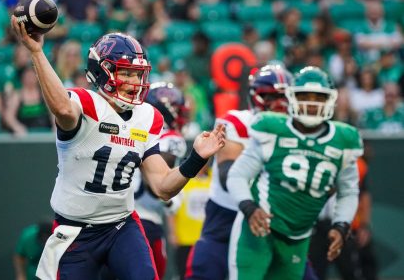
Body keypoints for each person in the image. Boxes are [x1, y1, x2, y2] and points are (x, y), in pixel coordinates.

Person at [11, 17, 226, 280]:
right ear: (102, 72)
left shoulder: (147, 116)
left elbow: (162, 187)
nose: (134, 81)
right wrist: (36, 52)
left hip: (121, 226)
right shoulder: (86, 104)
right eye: (126, 72)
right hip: (76, 230)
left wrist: (195, 158)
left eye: (137, 73)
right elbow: (63, 108)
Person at [228, 66, 364, 280]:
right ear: (292, 98)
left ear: (330, 100)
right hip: (259, 228)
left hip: (299, 236)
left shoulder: (344, 140)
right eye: (304, 96)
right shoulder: (273, 128)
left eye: (318, 97)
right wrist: (249, 207)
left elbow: (349, 191)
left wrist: (341, 224)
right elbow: (237, 175)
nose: (311, 103)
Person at [185, 65, 292, 280]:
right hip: (228, 213)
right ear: (255, 97)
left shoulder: (295, 131)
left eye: (285, 96)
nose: (279, 104)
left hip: (272, 216)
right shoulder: (237, 122)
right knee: (204, 272)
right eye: (270, 96)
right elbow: (228, 176)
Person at [132, 81, 190, 279]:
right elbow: (156, 180)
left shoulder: (131, 129)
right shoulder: (171, 138)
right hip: (146, 220)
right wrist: (171, 200)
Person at [308, 155, 378, 280]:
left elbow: (364, 194)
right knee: (314, 273)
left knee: (352, 271)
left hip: (344, 225)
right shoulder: (310, 155)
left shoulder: (356, 163)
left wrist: (364, 225)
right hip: (316, 224)